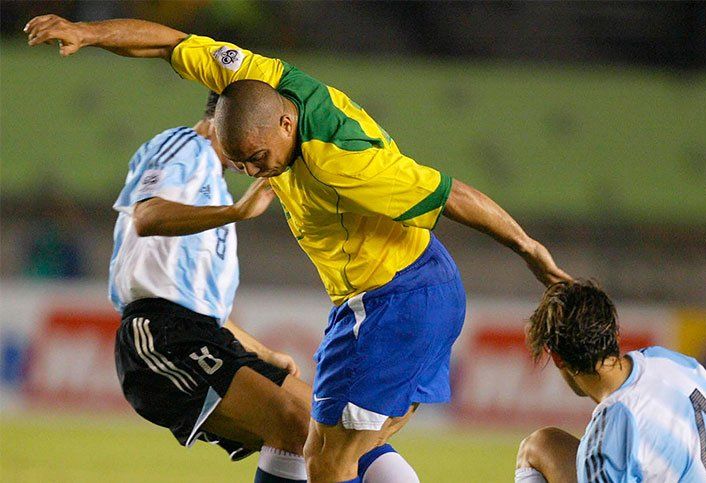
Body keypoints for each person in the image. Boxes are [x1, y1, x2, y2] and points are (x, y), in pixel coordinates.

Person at [26, 14, 571, 483]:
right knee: (314, 441)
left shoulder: (344, 163)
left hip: (398, 298)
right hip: (352, 304)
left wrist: (529, 248)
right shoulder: (250, 83)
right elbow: (169, 43)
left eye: (257, 157)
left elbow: (453, 196)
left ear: (286, 124)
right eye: (239, 161)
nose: (250, 170)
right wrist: (89, 32)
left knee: (328, 458)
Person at [107, 91, 312, 482]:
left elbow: (203, 307)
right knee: (295, 423)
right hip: (160, 335)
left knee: (331, 429)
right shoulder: (184, 145)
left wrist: (262, 351)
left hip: (203, 333)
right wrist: (235, 212)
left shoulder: (214, 187)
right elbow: (146, 216)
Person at [516, 280, 706, 483]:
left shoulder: (612, 429)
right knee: (546, 444)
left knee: (537, 447)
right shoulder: (671, 362)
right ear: (615, 332)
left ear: (558, 359)